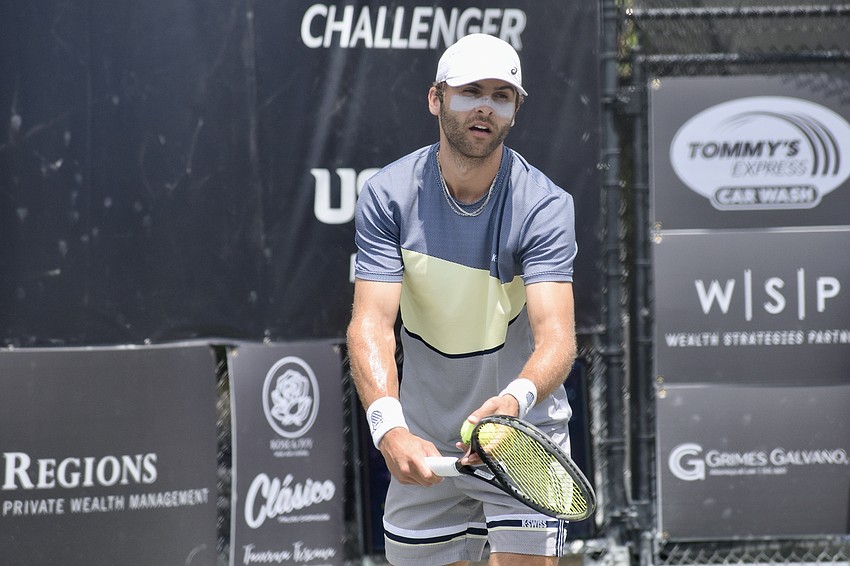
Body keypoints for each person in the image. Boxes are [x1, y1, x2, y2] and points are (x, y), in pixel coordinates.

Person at [347, 33, 578, 566]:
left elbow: (558, 337)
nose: (484, 107)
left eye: (501, 96)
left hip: (522, 436)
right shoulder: (388, 195)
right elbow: (371, 326)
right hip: (423, 438)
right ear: (436, 99)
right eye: (470, 91)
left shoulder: (544, 206)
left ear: (515, 111)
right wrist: (389, 428)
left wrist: (515, 402)